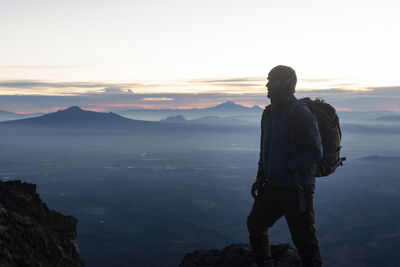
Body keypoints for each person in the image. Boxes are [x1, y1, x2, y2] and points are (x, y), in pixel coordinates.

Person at [247, 65, 323, 267]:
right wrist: (260, 176)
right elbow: (265, 149)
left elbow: (315, 151)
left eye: (273, 81)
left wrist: (289, 167)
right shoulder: (269, 113)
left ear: (287, 85)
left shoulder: (300, 113)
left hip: (297, 188)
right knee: (255, 223)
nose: (267, 84)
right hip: (273, 185)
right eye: (268, 80)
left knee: (305, 240)